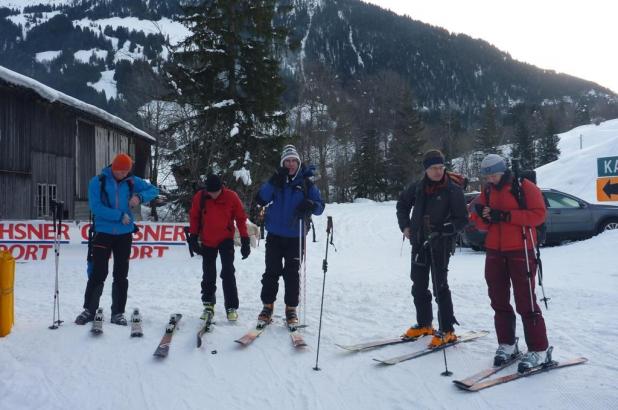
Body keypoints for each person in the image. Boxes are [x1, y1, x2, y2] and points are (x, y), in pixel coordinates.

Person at [471, 154, 549, 372]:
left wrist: (505, 216)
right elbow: (482, 224)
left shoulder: (524, 187)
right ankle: (507, 343)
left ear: (503, 171)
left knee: (526, 300)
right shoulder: (487, 191)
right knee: (498, 299)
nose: (491, 180)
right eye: (487, 176)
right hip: (495, 251)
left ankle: (539, 349)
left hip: (520, 250)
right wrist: (482, 216)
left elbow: (539, 215)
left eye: (494, 175)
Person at [75, 153, 159, 325]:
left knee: (121, 273)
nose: (123, 175)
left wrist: (139, 197)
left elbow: (154, 190)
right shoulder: (97, 182)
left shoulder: (132, 180)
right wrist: (119, 216)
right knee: (98, 272)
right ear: (113, 168)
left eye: (126, 172)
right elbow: (96, 208)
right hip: (103, 232)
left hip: (124, 234)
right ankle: (89, 310)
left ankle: (118, 312)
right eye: (120, 172)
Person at [396, 149, 468, 347]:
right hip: (419, 243)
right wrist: (405, 226)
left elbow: (462, 220)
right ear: (426, 169)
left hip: (440, 245)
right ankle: (424, 324)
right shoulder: (418, 187)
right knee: (418, 285)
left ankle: (447, 330)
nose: (438, 171)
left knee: (440, 286)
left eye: (441, 167)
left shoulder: (452, 189)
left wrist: (444, 229)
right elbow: (402, 204)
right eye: (434, 168)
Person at [254, 145, 325, 329]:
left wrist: (310, 204)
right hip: (275, 235)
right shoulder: (277, 181)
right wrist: (273, 181)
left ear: (299, 163)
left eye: (294, 160)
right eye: (287, 161)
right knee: (271, 271)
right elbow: (261, 199)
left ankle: (291, 309)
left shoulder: (307, 183)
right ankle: (267, 307)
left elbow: (320, 207)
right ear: (283, 163)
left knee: (292, 274)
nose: (291, 164)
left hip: (296, 236)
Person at [187, 174, 251, 322]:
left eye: (216, 192)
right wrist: (193, 237)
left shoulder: (231, 197)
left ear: (221, 188)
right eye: (210, 192)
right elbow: (194, 217)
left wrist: (245, 239)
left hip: (225, 239)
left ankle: (231, 307)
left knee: (228, 272)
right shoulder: (200, 197)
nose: (213, 195)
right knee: (208, 273)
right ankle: (208, 304)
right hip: (208, 240)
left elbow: (241, 218)